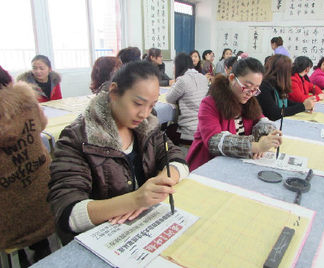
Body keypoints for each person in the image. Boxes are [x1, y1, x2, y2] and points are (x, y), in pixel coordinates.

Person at [47, 61, 188, 243]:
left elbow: (175, 156)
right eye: (138, 103)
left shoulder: (148, 126)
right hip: (102, 239)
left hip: (142, 227)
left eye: (151, 105)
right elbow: (67, 213)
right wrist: (135, 200)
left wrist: (163, 181)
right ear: (114, 92)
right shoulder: (79, 138)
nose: (144, 114)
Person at [186, 57, 282, 171]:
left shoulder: (249, 102)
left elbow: (262, 121)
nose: (250, 93)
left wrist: (268, 135)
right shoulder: (210, 103)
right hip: (208, 165)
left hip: (236, 163)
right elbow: (214, 142)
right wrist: (255, 146)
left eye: (255, 89)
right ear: (232, 78)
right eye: (247, 86)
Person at [0, 66, 54, 263]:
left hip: (7, 218)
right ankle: (42, 249)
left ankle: (20, 259)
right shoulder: (27, 102)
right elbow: (42, 124)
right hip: (44, 198)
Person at [257, 55, 315, 121]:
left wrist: (304, 105)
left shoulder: (277, 83)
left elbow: (285, 102)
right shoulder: (264, 86)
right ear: (283, 72)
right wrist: (302, 106)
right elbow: (275, 114)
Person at [166, 53, 209, 144]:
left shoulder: (182, 80)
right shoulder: (203, 77)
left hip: (190, 131)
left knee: (167, 130)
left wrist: (174, 83)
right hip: (205, 127)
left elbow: (169, 98)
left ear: (178, 66)